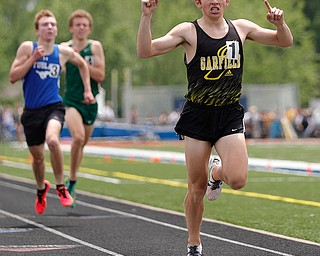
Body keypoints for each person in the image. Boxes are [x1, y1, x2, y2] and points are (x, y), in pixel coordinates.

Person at [137, 0, 293, 255]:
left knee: (239, 180)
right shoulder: (188, 31)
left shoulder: (241, 28)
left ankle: (217, 173)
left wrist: (281, 24)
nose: (214, 1)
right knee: (196, 189)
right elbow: (145, 51)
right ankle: (194, 242)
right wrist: (146, 17)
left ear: (227, 1)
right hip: (198, 116)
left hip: (229, 114)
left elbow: (284, 41)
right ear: (199, 3)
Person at [9, 9, 94, 215]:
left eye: (53, 24)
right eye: (46, 24)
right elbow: (13, 76)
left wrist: (88, 89)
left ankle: (61, 187)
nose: (50, 27)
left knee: (53, 141)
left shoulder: (62, 52)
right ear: (37, 30)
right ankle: (41, 189)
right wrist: (32, 59)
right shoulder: (28, 48)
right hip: (31, 112)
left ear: (56, 30)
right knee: (38, 159)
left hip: (53, 107)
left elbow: (82, 64)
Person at [60, 9, 105, 207]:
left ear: (89, 28)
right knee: (77, 137)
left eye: (84, 25)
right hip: (70, 101)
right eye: (77, 24)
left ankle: (72, 179)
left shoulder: (94, 47)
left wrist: (80, 61)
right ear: (71, 28)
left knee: (82, 143)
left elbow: (101, 75)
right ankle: (71, 180)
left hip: (90, 103)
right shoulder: (64, 47)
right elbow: (57, 69)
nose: (81, 28)